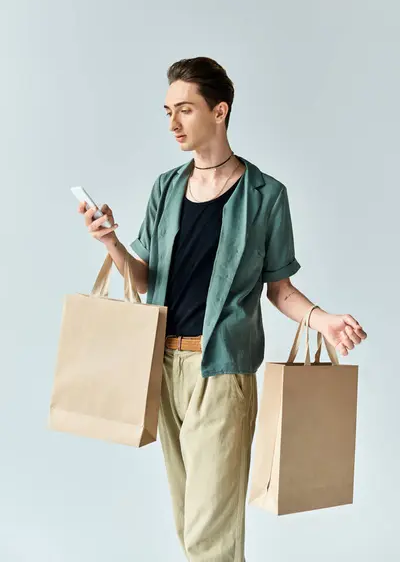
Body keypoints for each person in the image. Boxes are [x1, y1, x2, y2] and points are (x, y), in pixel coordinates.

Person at [78, 57, 367, 562]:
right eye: (167, 111)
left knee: (210, 533)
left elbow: (278, 287)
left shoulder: (265, 195)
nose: (172, 123)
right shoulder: (165, 188)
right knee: (189, 520)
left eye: (184, 110)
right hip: (164, 367)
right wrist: (111, 244)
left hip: (222, 373)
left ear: (219, 110)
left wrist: (323, 319)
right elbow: (146, 279)